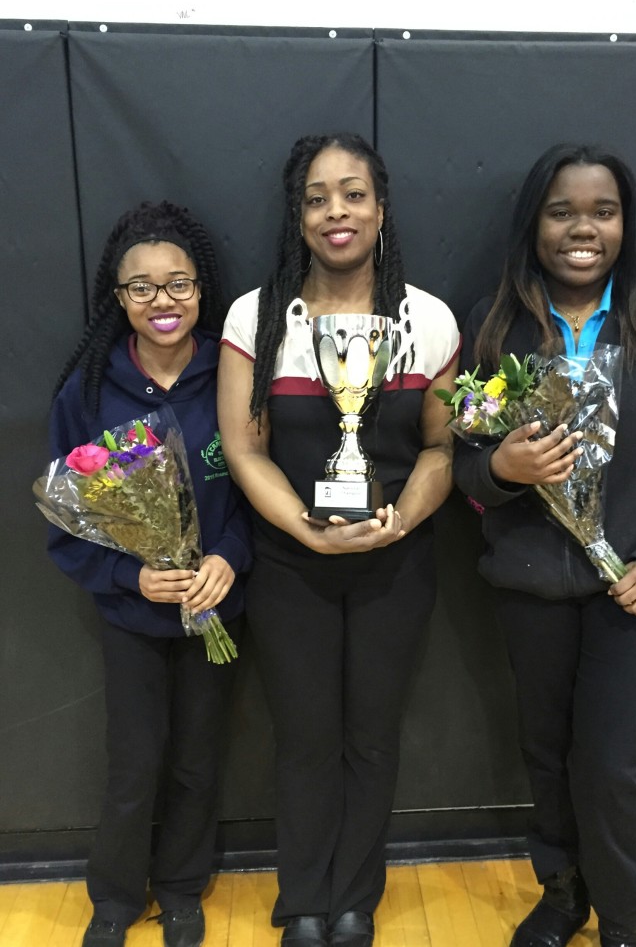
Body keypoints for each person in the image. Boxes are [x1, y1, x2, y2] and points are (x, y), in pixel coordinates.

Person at [453, 144, 636, 947]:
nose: (583, 228)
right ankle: (563, 892)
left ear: (627, 222)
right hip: (530, 583)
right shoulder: (494, 321)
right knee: (546, 753)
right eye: (562, 211)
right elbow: (461, 465)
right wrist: (501, 471)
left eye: (602, 211)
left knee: (612, 762)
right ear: (533, 224)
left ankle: (624, 918)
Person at [217, 133, 460, 947]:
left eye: (353, 193)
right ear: (299, 214)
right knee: (305, 736)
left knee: (370, 732)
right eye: (317, 197)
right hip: (291, 562)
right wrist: (303, 530)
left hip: (397, 562)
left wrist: (402, 519)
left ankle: (354, 899)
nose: (336, 212)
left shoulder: (426, 320)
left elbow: (440, 446)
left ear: (381, 209)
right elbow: (245, 448)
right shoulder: (255, 316)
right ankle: (304, 901)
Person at [48, 201, 251, 947]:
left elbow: (255, 487)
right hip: (133, 615)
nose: (162, 302)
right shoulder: (89, 392)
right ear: (118, 298)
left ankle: (181, 885)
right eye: (142, 288)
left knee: (199, 758)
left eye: (178, 284)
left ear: (202, 289)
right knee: (135, 763)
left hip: (215, 610)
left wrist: (228, 556)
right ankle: (115, 895)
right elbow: (64, 517)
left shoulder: (230, 376)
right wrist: (129, 578)